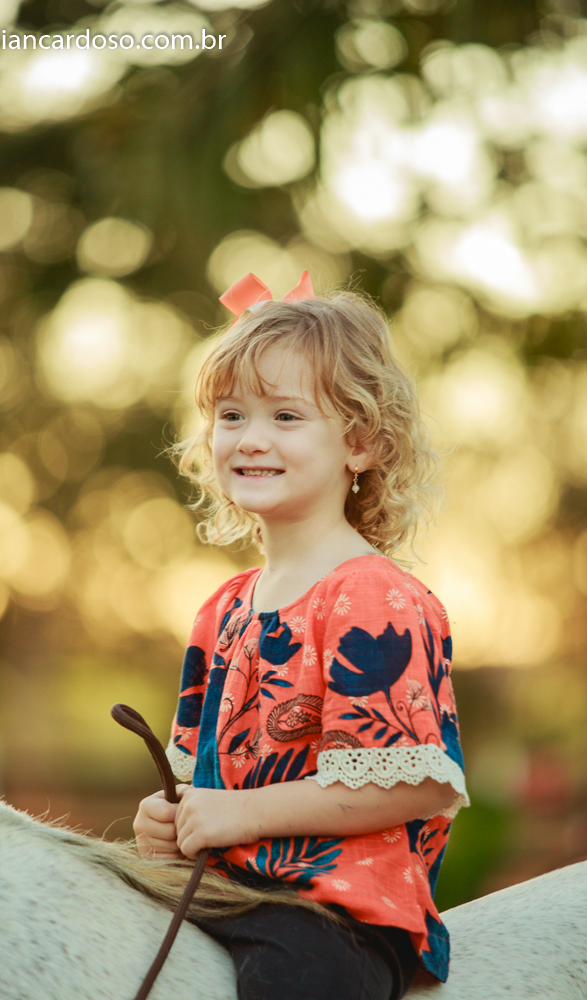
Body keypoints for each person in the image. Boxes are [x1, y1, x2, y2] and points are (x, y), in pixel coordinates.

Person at [133, 272, 469, 1000]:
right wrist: (168, 818)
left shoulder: (371, 597)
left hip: (329, 910)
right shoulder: (222, 609)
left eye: (285, 417)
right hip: (221, 894)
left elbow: (414, 779)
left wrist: (238, 812)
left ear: (361, 442)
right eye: (230, 416)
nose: (250, 439)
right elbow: (200, 783)